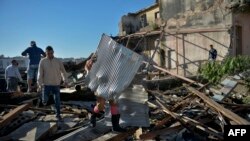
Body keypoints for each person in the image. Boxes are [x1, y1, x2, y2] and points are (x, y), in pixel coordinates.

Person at [85, 55, 126, 132]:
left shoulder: (116, 57)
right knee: (100, 105)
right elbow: (87, 67)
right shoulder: (98, 55)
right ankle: (93, 117)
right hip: (100, 84)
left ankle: (115, 126)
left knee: (114, 103)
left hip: (112, 83)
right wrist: (90, 62)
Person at [37, 46, 68, 121]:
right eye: (48, 53)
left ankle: (58, 114)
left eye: (51, 53)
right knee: (45, 100)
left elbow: (63, 71)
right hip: (46, 84)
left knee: (57, 100)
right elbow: (40, 73)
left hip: (56, 84)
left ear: (53, 52)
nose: (50, 55)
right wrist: (39, 84)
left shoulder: (58, 61)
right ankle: (42, 107)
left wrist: (65, 80)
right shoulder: (42, 61)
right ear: (46, 53)